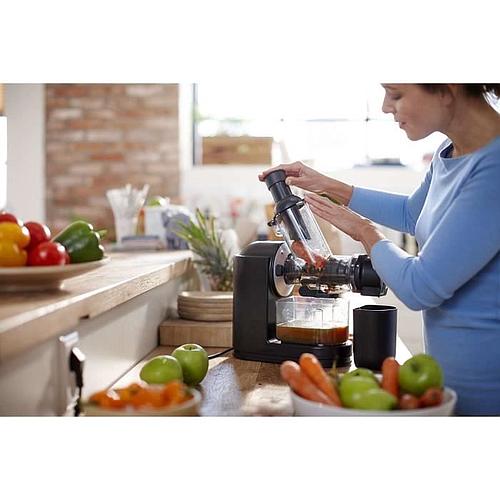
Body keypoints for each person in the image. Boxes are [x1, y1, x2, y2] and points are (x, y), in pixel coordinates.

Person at [259, 84, 500, 416]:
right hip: (445, 382)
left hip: (487, 390)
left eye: (396, 94)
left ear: (449, 88)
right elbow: (412, 214)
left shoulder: (494, 169)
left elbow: (421, 287)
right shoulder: (451, 151)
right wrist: (328, 186)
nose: (386, 106)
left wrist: (364, 231)